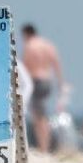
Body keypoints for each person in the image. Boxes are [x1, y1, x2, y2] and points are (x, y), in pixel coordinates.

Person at [21, 23, 63, 152]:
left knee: (39, 118)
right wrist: (60, 82)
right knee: (42, 114)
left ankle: (44, 147)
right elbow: (56, 63)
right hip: (47, 81)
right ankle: (46, 145)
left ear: (26, 34)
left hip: (36, 81)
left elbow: (25, 67)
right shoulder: (47, 45)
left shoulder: (29, 46)